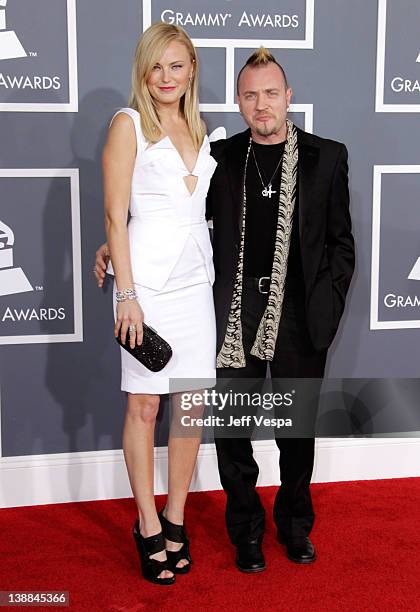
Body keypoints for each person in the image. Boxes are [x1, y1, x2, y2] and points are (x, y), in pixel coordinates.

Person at [96, 48, 355, 573]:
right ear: (238, 102)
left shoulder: (328, 156)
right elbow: (173, 209)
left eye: (272, 94)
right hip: (231, 311)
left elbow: (340, 243)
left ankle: (295, 526)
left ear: (289, 97)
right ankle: (246, 533)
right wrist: (112, 246)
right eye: (251, 95)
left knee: (296, 431)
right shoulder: (225, 155)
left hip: (300, 316)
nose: (262, 105)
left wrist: (325, 308)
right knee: (233, 434)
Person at [101, 22, 218, 585]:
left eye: (177, 65)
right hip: (144, 289)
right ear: (143, 72)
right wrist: (126, 295)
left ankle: (176, 516)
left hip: (197, 286)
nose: (166, 77)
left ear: (191, 68)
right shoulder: (128, 125)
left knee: (191, 408)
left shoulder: (200, 127)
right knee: (145, 408)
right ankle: (146, 523)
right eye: (156, 67)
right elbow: (115, 215)